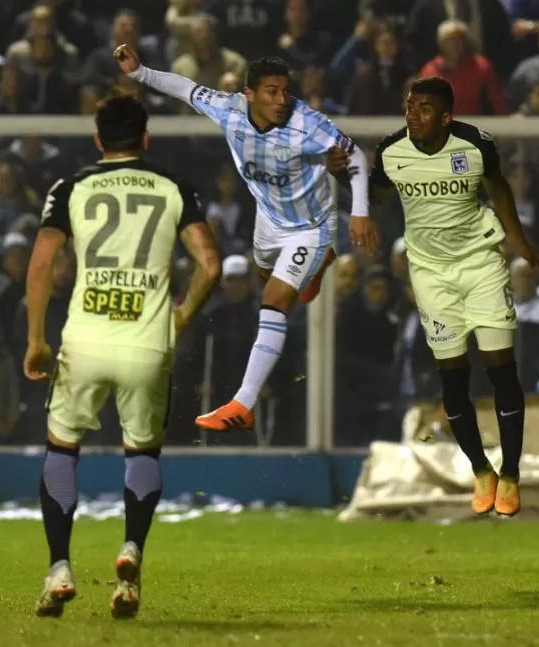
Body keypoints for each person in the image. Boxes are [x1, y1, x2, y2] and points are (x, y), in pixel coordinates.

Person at [23, 93, 220, 619]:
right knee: (142, 453)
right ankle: (131, 556)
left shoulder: (72, 186)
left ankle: (59, 567)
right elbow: (211, 264)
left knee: (62, 449)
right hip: (146, 343)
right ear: (146, 138)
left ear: (97, 140)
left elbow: (42, 262)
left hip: (85, 339)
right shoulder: (174, 187)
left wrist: (36, 337)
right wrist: (178, 315)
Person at [114, 45, 376, 432]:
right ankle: (315, 267)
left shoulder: (308, 123)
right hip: (268, 221)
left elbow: (354, 158)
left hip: (311, 226)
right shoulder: (229, 109)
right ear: (249, 94)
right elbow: (185, 88)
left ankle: (243, 402)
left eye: (285, 90)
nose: (281, 98)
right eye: (271, 91)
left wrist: (359, 212)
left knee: (273, 301)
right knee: (263, 277)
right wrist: (140, 74)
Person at [367, 76, 539, 518]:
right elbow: (374, 192)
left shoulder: (474, 145)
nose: (413, 114)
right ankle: (481, 469)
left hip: (480, 263)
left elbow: (498, 188)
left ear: (446, 117)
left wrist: (519, 241)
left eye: (424, 109)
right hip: (430, 274)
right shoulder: (391, 151)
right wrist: (346, 180)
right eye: (409, 106)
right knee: (452, 378)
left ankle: (512, 474)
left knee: (501, 369)